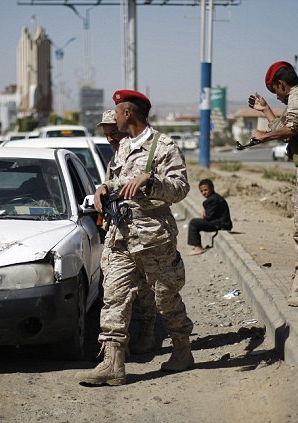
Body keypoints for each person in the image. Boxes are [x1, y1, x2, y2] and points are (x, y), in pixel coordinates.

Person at [76, 90, 194, 386]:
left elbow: (180, 188)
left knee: (164, 297)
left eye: (116, 111)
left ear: (128, 113)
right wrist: (104, 187)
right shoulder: (124, 146)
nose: (113, 117)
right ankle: (112, 365)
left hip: (154, 237)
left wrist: (152, 182)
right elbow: (118, 178)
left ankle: (182, 350)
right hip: (121, 235)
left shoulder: (164, 145)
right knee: (114, 296)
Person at [248, 61, 298, 307]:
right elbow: (289, 126)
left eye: (276, 93)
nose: (278, 98)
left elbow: (291, 129)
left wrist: (264, 136)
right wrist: (266, 111)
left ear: (282, 84)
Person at [96, 109, 157, 355]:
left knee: (146, 289)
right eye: (107, 134)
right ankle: (115, 351)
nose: (111, 138)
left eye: (115, 133)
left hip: (145, 234)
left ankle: (148, 331)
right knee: (114, 290)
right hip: (118, 233)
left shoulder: (146, 153)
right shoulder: (114, 160)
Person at [186, 178, 232, 256]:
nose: (204, 192)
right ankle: (197, 246)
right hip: (221, 222)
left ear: (212, 188)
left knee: (194, 223)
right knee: (195, 222)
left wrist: (204, 216)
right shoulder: (214, 198)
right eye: (202, 191)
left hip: (221, 224)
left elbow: (209, 217)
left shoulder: (212, 200)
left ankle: (198, 247)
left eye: (206, 190)